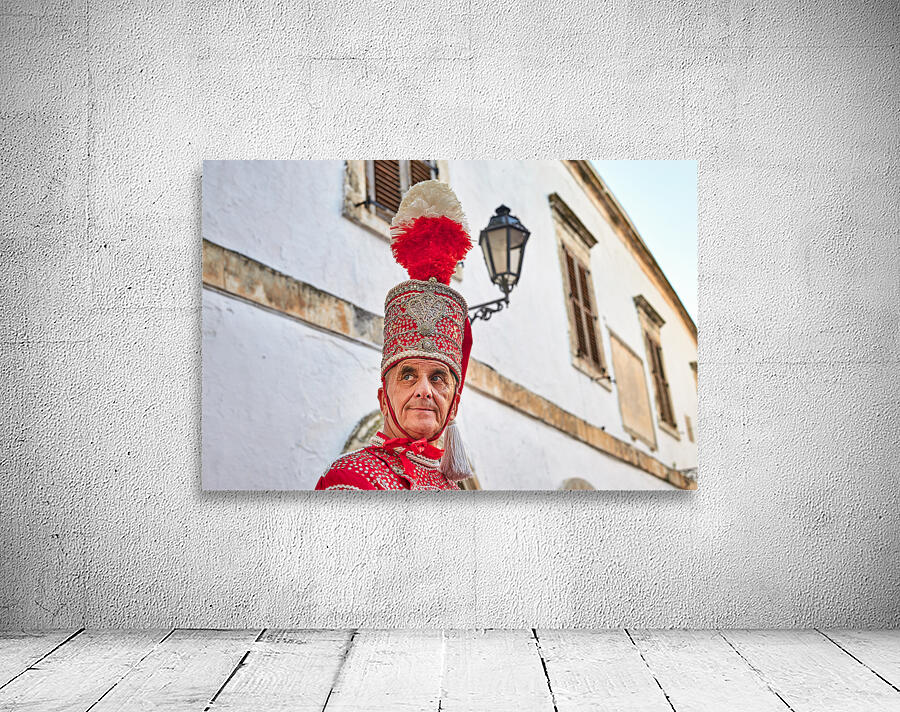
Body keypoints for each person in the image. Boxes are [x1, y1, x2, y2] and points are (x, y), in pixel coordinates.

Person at [315, 180, 475, 491]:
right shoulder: (350, 477)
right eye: (408, 375)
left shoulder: (454, 490)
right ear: (383, 400)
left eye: (439, 377)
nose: (424, 390)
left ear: (453, 405)